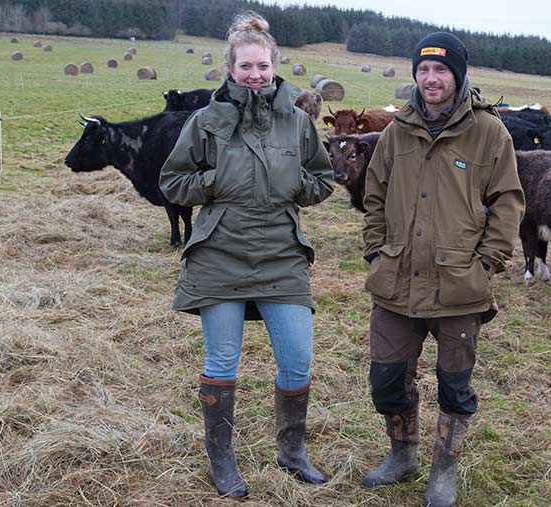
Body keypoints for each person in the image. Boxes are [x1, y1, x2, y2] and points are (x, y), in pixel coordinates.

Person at [158, 11, 334, 498]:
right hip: (220, 253)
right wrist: (216, 181)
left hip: (281, 252)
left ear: (275, 66)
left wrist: (294, 184)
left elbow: (323, 181)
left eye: (262, 66)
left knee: (298, 359)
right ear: (230, 68)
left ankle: (292, 451)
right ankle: (223, 459)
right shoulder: (207, 121)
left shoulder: (297, 120)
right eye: (245, 66)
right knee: (222, 362)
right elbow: (171, 182)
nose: (254, 75)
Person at [360, 32, 525, 507]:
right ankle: (402, 455)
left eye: (441, 70)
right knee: (387, 379)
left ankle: (443, 470)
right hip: (396, 281)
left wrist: (487, 262)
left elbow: (508, 203)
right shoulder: (397, 132)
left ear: (458, 74)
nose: (431, 79)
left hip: (459, 287)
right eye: (424, 70)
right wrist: (377, 249)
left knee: (455, 385)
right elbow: (374, 196)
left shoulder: (490, 133)